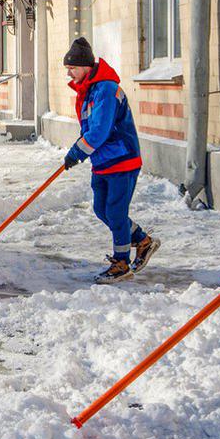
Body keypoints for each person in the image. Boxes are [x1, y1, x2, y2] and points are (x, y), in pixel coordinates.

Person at [61, 37, 159, 284]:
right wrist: (84, 151)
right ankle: (143, 241)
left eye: (72, 67)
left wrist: (77, 152)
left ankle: (121, 263)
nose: (69, 72)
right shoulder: (89, 90)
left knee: (115, 211)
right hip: (103, 161)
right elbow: (90, 129)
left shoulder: (104, 88)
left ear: (85, 66)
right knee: (101, 209)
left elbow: (99, 131)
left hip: (122, 159)